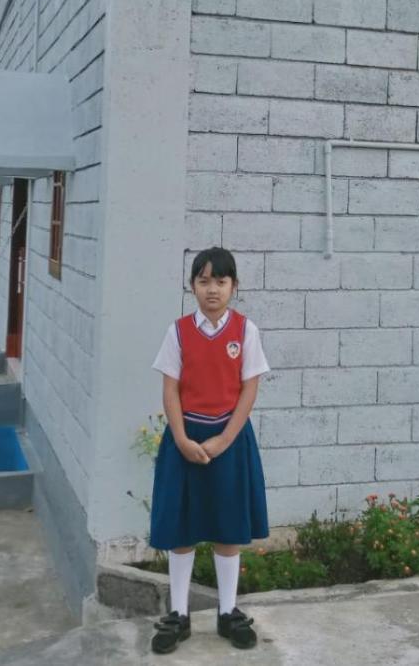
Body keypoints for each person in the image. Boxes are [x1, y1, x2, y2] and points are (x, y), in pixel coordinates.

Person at [148, 246, 270, 654]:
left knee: (227, 527)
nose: (212, 289)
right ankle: (178, 614)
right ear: (192, 286)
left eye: (221, 281)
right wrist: (182, 439)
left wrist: (224, 439)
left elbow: (249, 389)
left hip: (229, 441)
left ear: (234, 286)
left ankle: (228, 611)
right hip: (185, 437)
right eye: (204, 281)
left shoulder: (246, 331)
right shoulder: (178, 331)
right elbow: (170, 389)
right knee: (181, 528)